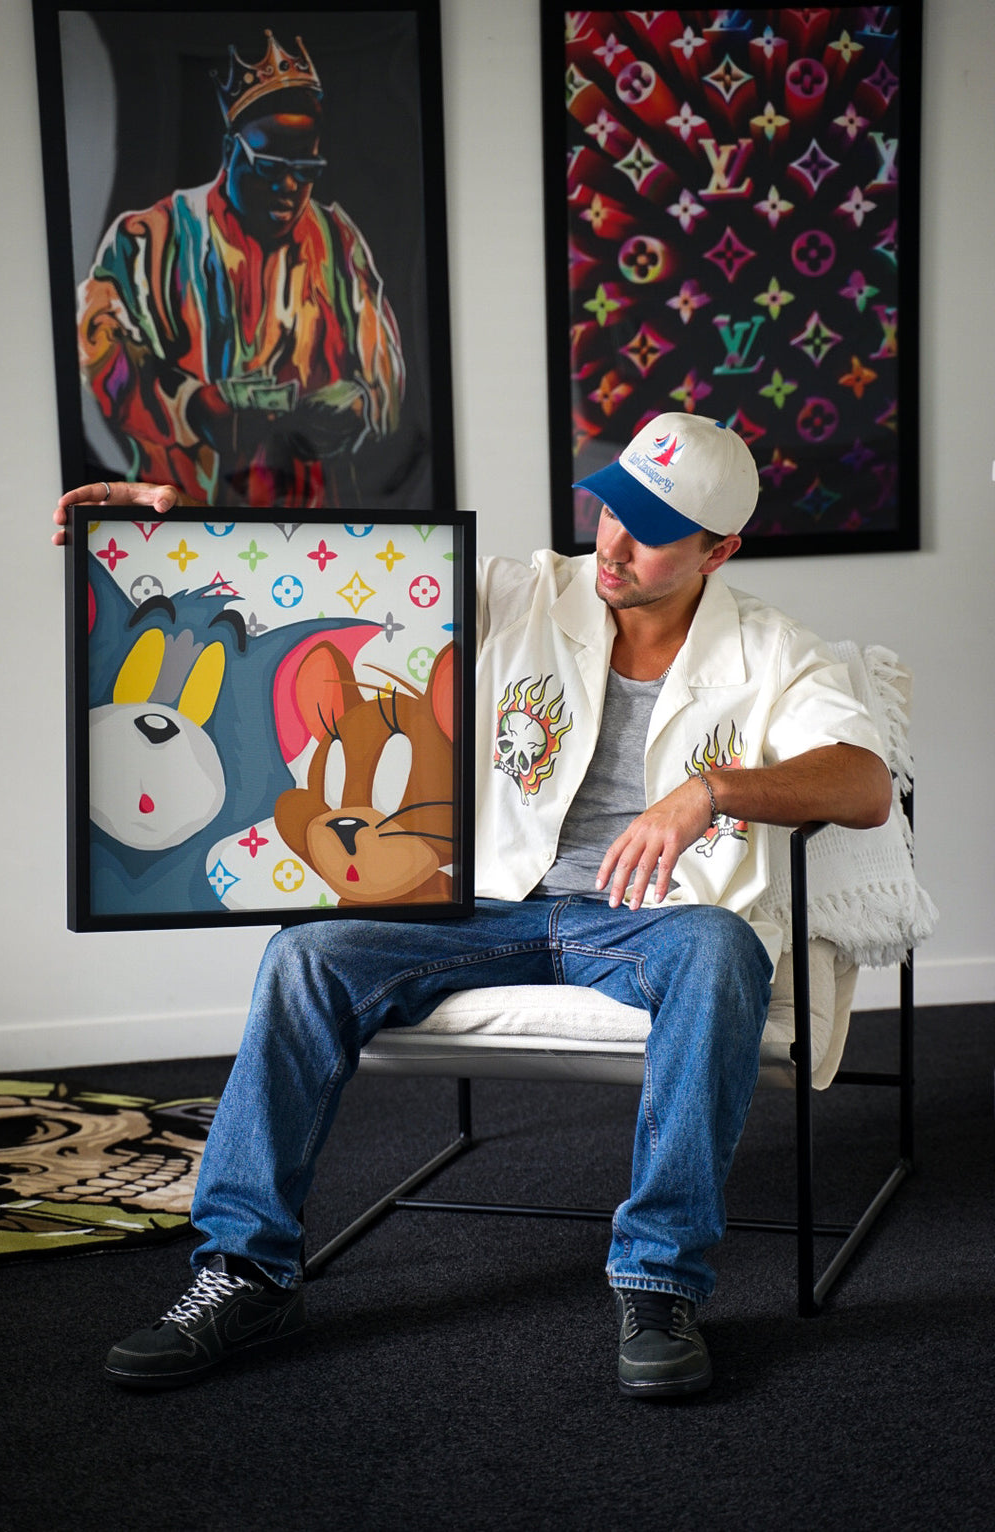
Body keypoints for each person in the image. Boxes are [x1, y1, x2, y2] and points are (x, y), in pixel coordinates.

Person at [53, 414, 892, 1397]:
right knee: (306, 952)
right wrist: (184, 523)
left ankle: (658, 1280)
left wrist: (710, 791)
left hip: (647, 920)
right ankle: (245, 1269)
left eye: (653, 529)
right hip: (478, 905)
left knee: (718, 950)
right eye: (612, 509)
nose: (613, 544)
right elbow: (342, 568)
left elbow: (862, 781)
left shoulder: (774, 650)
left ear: (720, 549)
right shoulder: (516, 589)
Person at [77, 30, 404, 510]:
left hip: (315, 531)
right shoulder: (150, 238)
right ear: (231, 152)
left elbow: (388, 375)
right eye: (271, 166)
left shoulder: (336, 240)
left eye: (306, 169)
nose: (290, 186)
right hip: (181, 520)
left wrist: (359, 406)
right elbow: (96, 349)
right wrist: (192, 407)